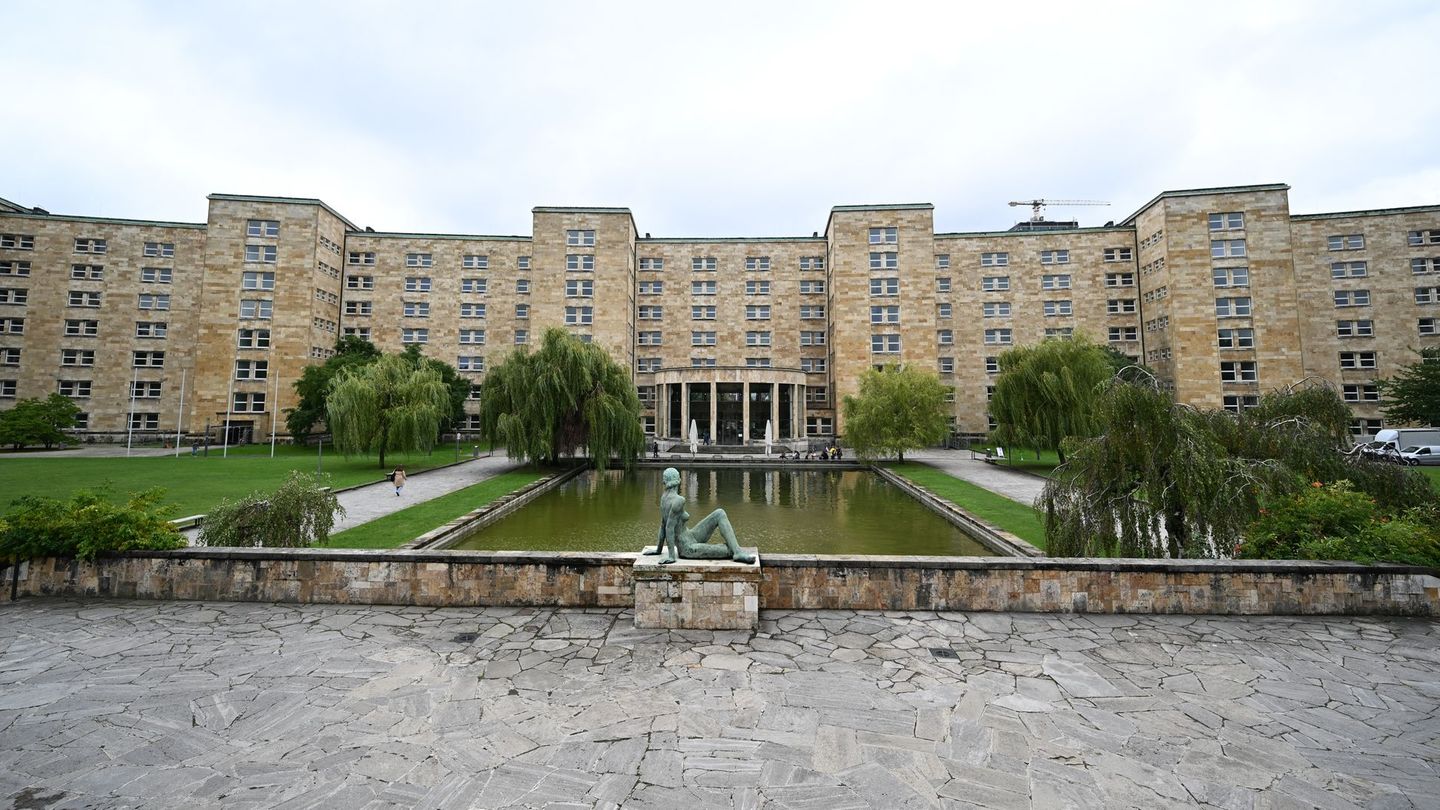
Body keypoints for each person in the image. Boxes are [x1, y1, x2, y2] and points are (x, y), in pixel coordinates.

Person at [642, 467, 756, 564]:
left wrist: (658, 549)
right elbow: (668, 528)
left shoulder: (664, 499)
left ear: (664, 482)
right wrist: (672, 556)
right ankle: (736, 552)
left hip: (691, 536)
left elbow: (662, 526)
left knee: (719, 513)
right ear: (678, 480)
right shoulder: (678, 500)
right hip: (687, 548)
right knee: (727, 550)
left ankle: (737, 551)